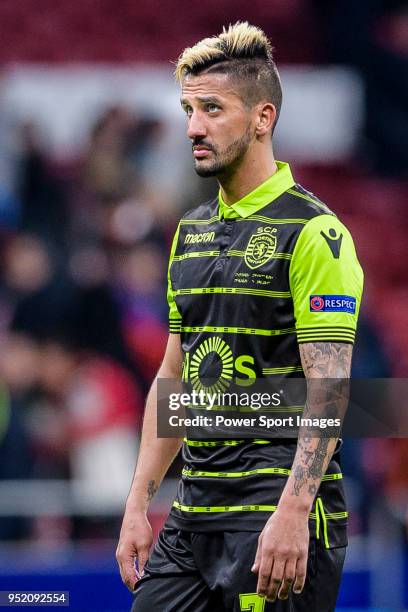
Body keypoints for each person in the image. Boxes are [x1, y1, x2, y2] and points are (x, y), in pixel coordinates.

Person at [116, 22, 364, 611]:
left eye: (212, 109)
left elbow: (331, 388)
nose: (193, 127)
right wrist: (135, 502)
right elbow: (173, 379)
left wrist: (293, 514)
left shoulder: (315, 233)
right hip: (191, 519)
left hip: (276, 520)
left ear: (262, 118)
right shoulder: (190, 232)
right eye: (187, 110)